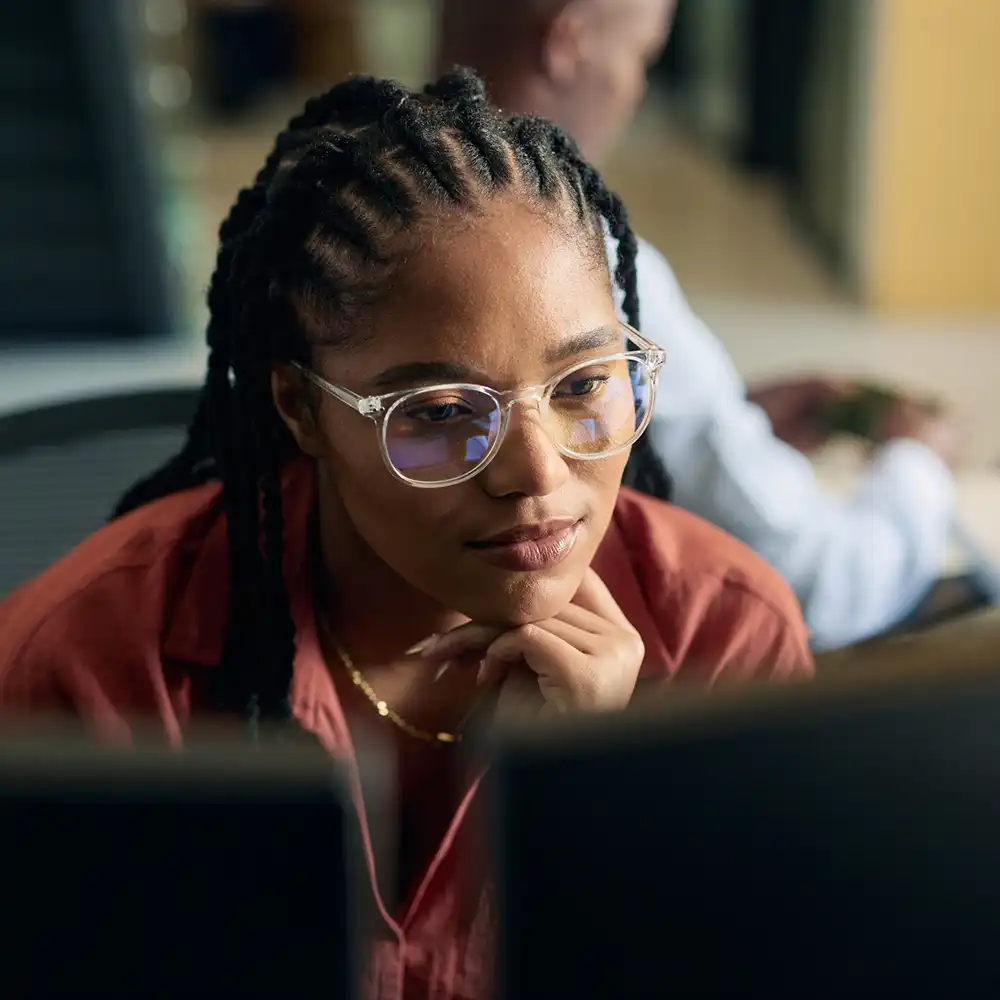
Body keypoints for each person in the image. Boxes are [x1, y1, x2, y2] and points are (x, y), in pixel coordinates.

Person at [0, 71, 811, 998]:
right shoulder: (87, 670)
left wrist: (595, 802)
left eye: (585, 384)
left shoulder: (725, 640)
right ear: (302, 410)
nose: (537, 475)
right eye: (440, 412)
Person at [436, 0, 964, 651]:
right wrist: (918, 463)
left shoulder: (358, 212)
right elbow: (820, 583)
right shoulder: (581, 263)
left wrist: (723, 419)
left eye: (583, 387)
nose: (636, 90)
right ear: (568, 43)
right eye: (641, 57)